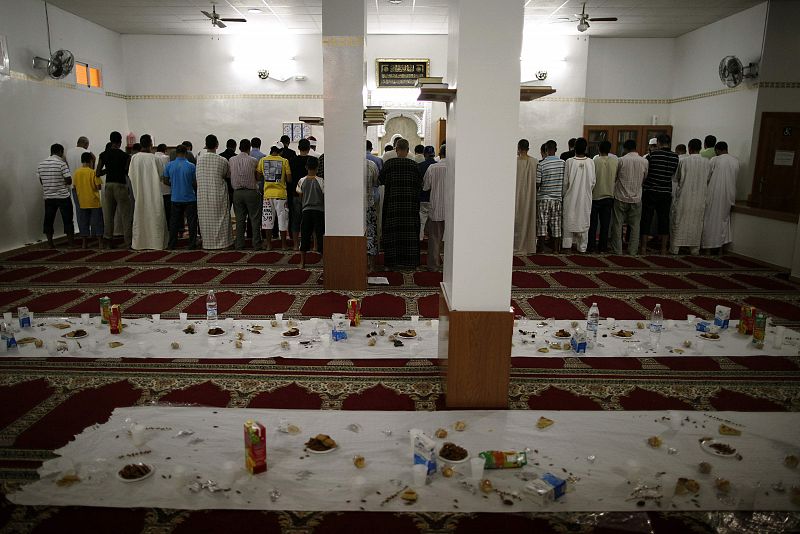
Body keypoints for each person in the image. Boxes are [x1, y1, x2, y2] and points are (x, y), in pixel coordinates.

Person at [379, 139, 422, 270]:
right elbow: (420, 184)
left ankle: (392, 262)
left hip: (393, 206)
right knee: (410, 233)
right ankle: (410, 262)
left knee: (393, 233)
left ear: (396, 150)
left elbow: (380, 180)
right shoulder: (414, 166)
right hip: (409, 207)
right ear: (408, 150)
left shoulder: (389, 164)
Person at [669, 138, 709, 255]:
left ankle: (675, 249)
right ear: (700, 148)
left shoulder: (684, 162)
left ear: (689, 148)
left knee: (679, 221)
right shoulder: (707, 162)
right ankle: (694, 249)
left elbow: (676, 178)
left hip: (684, 198)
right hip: (700, 198)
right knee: (696, 223)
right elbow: (708, 178)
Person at [640, 134, 679, 255]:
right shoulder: (675, 157)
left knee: (646, 219)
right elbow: (673, 175)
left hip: (651, 190)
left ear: (659, 143)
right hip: (666, 192)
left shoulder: (652, 155)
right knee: (664, 220)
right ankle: (663, 249)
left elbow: (646, 172)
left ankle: (643, 248)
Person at [128, 134, 167, 250]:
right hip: (154, 194)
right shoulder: (155, 159)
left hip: (139, 193)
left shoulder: (134, 158)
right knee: (155, 217)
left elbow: (130, 175)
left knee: (140, 217)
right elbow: (162, 176)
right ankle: (157, 243)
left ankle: (140, 243)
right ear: (151, 144)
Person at [610, 139, 648, 255]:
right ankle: (632, 251)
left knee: (617, 225)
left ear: (625, 149)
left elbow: (615, 177)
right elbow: (644, 177)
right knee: (635, 226)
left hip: (621, 196)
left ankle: (618, 250)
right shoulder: (644, 161)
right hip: (636, 197)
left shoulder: (621, 160)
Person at [196, 134, 233, 250]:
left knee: (205, 220)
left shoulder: (199, 159)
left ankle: (207, 243)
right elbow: (228, 175)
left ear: (205, 145)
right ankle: (223, 244)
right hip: (218, 194)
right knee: (221, 219)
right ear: (217, 145)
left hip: (203, 195)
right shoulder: (222, 160)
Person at [96, 131, 132, 249]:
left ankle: (108, 242)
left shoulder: (103, 154)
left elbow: (97, 173)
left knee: (109, 215)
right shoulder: (125, 156)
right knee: (125, 215)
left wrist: (108, 170)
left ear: (110, 140)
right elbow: (127, 171)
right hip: (120, 185)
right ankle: (128, 242)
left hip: (109, 185)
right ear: (120, 141)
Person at [702, 142, 739, 254]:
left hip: (714, 193)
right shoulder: (736, 161)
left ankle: (708, 248)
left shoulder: (715, 160)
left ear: (717, 150)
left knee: (710, 221)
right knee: (724, 221)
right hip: (729, 195)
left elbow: (707, 177)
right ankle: (720, 250)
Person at [561, 138, 596, 253]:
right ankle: (582, 247)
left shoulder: (569, 162)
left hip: (571, 197)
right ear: (585, 148)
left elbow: (565, 182)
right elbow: (593, 182)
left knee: (569, 221)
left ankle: (567, 246)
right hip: (585, 197)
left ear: (574, 148)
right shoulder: (591, 162)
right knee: (583, 219)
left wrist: (564, 195)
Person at [38, 143, 75, 248]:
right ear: (60, 152)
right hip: (62, 196)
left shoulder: (41, 164)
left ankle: (50, 243)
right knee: (68, 220)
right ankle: (71, 244)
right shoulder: (61, 164)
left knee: (48, 220)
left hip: (48, 197)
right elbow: (68, 180)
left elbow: (41, 181)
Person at [163, 145, 198, 250]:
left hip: (175, 197)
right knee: (191, 222)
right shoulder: (191, 166)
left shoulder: (169, 166)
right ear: (186, 153)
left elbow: (165, 180)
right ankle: (192, 244)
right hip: (189, 198)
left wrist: (174, 184)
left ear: (175, 153)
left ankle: (172, 244)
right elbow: (194, 183)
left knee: (174, 222)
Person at [230, 139, 261, 250]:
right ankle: (256, 244)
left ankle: (239, 244)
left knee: (239, 219)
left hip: (237, 193)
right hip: (251, 192)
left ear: (239, 148)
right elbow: (258, 177)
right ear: (249, 148)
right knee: (255, 219)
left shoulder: (232, 160)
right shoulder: (253, 161)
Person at [258, 145, 291, 250]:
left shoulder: (263, 160)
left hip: (267, 195)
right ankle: (284, 245)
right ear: (280, 151)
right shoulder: (284, 161)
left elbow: (258, 177)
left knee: (267, 220)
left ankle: (268, 245)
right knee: (282, 220)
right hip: (281, 195)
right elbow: (289, 179)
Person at [588, 140, 618, 253]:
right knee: (605, 224)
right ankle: (603, 247)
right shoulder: (615, 161)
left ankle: (591, 246)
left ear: (598, 148)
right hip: (609, 196)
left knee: (593, 224)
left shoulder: (594, 161)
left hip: (595, 196)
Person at [536, 140, 565, 253]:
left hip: (544, 198)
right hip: (557, 198)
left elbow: (538, 183)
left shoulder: (541, 164)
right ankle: (556, 249)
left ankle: (541, 249)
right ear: (556, 149)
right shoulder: (563, 163)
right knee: (556, 223)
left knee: (542, 223)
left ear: (545, 150)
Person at [296, 157, 324, 269]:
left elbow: (300, 196)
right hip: (319, 212)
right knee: (320, 235)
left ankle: (302, 262)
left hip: (306, 211)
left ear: (306, 167)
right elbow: (324, 197)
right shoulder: (321, 181)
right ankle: (323, 261)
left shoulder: (301, 181)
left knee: (305, 236)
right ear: (317, 167)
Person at [422, 145, 447, 270]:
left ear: (439, 154)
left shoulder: (433, 167)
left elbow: (426, 186)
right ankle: (450, 266)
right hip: (451, 210)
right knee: (450, 239)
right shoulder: (455, 168)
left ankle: (434, 265)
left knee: (435, 238)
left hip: (436, 208)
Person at [72, 151, 104, 249]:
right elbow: (98, 186)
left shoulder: (76, 172)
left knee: (83, 222)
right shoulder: (92, 172)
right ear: (90, 161)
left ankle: (84, 243)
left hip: (82, 201)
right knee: (98, 221)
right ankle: (100, 243)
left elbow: (74, 186)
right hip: (93, 201)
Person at [514, 139, 537, 255]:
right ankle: (527, 246)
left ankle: (515, 245)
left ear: (518, 148)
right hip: (529, 198)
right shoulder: (534, 162)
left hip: (516, 197)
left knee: (516, 220)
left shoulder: (514, 162)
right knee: (527, 220)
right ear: (528, 148)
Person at [288, 139, 313, 249]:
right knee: (310, 220)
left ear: (298, 148)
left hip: (295, 194)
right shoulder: (312, 161)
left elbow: (289, 179)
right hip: (310, 195)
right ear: (309, 148)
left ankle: (295, 245)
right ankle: (314, 245)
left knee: (296, 220)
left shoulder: (292, 161)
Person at [417, 146, 438, 243]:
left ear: (425, 154)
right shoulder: (438, 166)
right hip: (435, 198)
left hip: (422, 197)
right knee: (434, 222)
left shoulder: (419, 166)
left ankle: (420, 239)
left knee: (422, 220)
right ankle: (432, 240)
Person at [365, 158, 380, 272]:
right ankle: (371, 265)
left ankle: (357, 262)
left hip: (353, 208)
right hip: (369, 204)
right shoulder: (371, 165)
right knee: (371, 235)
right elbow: (376, 183)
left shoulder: (349, 165)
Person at [154, 143, 171, 225]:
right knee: (168, 211)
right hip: (166, 188)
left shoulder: (153, 157)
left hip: (156, 188)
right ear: (165, 150)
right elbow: (168, 172)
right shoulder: (166, 158)